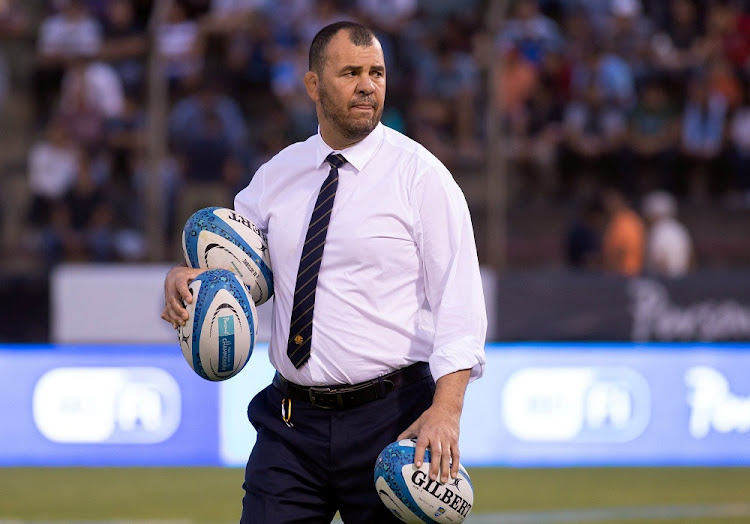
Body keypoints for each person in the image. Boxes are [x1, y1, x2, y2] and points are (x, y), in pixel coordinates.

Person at [161, 21, 487, 523]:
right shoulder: (276, 175)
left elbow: (460, 309)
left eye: (377, 72)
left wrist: (446, 413)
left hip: (394, 420)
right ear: (313, 84)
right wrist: (184, 278)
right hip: (291, 423)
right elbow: (230, 264)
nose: (367, 85)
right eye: (350, 72)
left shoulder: (423, 178)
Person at [642, 190, 693, 277]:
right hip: (683, 281)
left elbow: (660, 261)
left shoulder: (658, 230)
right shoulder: (680, 229)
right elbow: (691, 259)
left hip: (666, 282)